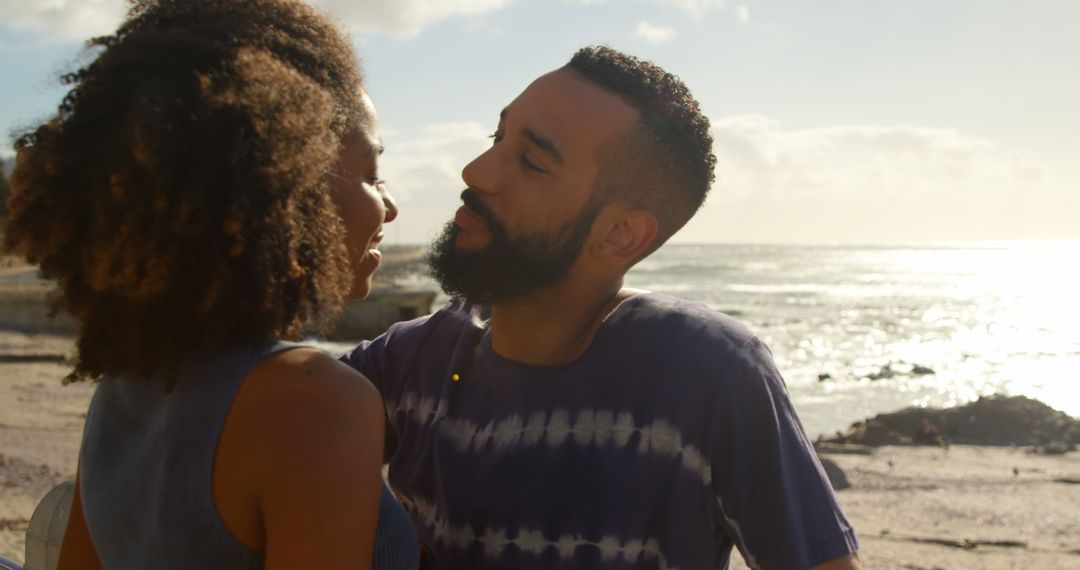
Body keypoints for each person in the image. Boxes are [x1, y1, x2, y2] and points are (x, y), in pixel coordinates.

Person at [343, 46, 861, 569]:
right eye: (497, 138)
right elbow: (272, 425)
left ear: (619, 234)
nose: (476, 171)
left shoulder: (707, 374)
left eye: (530, 161)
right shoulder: (410, 362)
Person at [3, 1, 418, 568]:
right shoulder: (316, 401)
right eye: (373, 174)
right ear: (284, 185)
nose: (390, 206)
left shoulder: (127, 388)